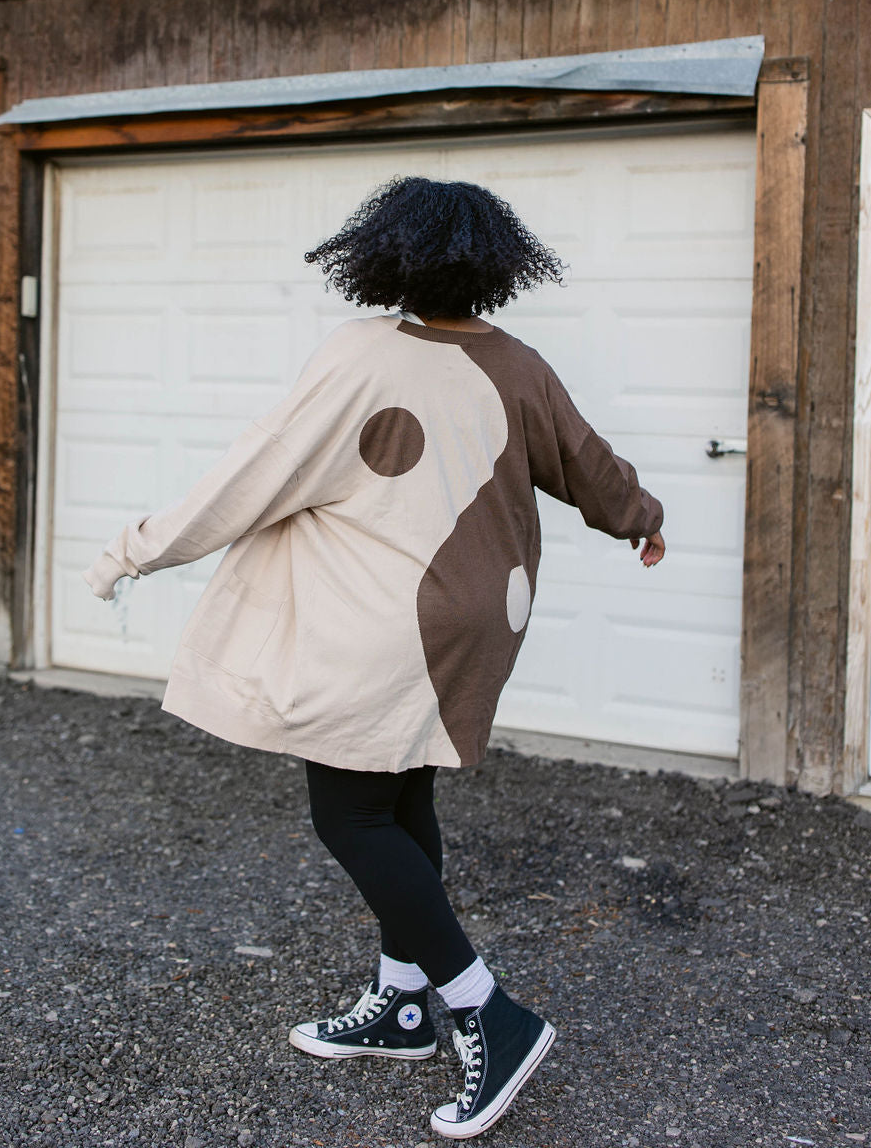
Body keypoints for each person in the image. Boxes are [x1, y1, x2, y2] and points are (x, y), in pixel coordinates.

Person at [82, 175, 665, 1140]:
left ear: (386, 256)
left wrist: (132, 551)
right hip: (479, 614)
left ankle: (486, 1011)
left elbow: (253, 474)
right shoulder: (519, 363)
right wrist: (640, 519)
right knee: (400, 797)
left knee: (349, 815)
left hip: (386, 617)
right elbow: (588, 464)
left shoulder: (362, 354)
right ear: (495, 264)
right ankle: (401, 1006)